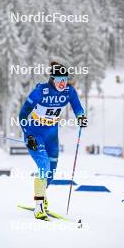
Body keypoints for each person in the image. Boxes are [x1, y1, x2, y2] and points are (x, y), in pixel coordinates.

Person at [19, 62, 87, 220]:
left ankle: (42, 196)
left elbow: (77, 107)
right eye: (59, 80)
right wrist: (28, 135)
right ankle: (39, 206)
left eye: (65, 79)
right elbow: (22, 115)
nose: (63, 83)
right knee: (44, 165)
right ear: (52, 79)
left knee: (51, 172)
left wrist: (81, 117)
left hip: (51, 134)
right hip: (35, 132)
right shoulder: (40, 91)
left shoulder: (69, 92)